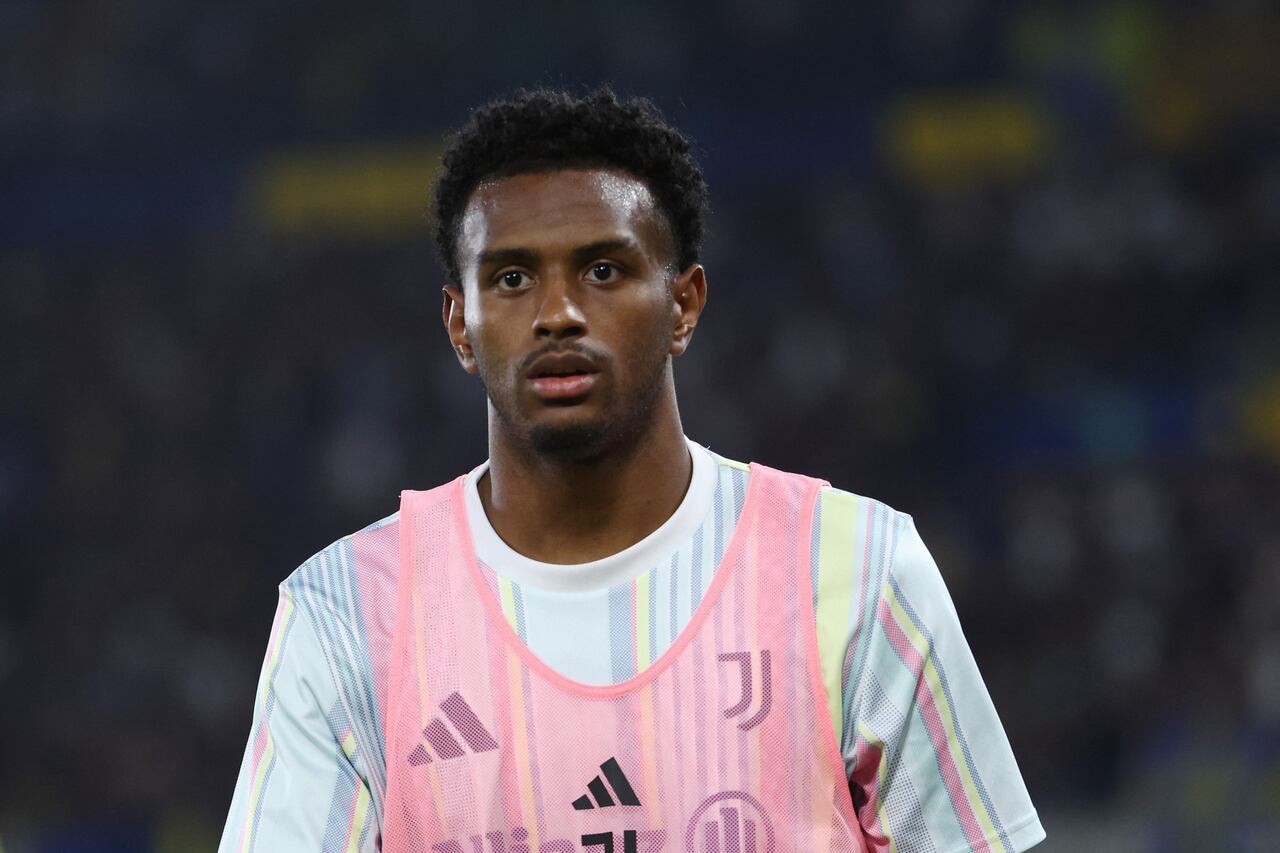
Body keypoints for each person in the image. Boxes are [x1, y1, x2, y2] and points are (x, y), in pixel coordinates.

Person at [220, 87, 1045, 853]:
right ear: (459, 325)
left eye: (603, 270)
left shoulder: (858, 566)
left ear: (683, 303)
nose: (557, 313)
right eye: (511, 278)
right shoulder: (345, 617)